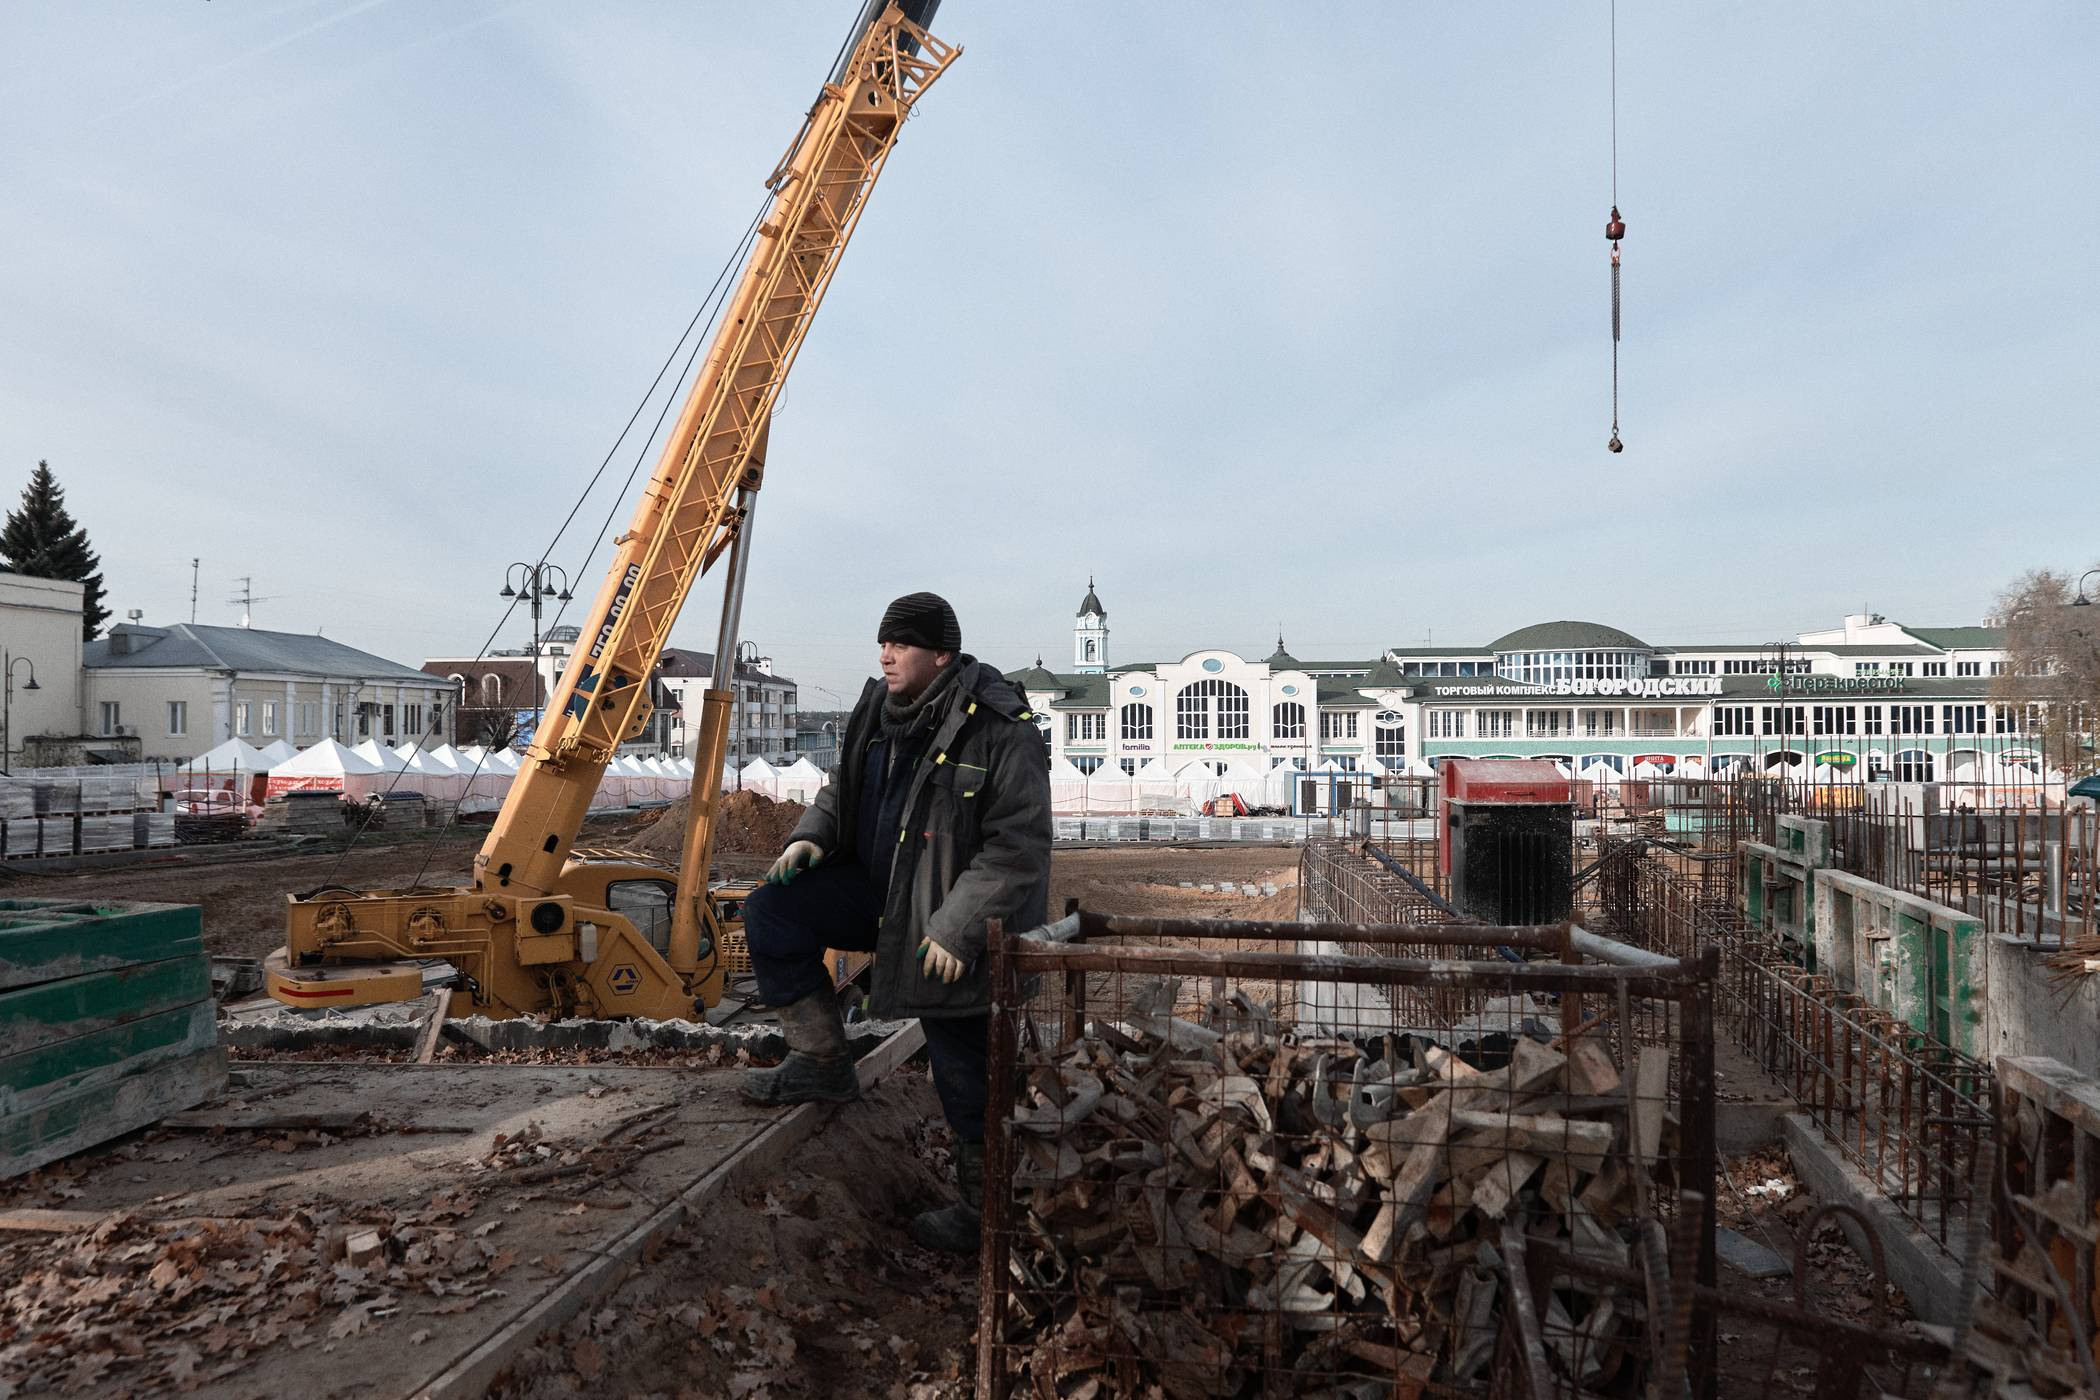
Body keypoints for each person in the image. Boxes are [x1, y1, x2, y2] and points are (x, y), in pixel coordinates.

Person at [738, 591, 1051, 1253]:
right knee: (771, 910)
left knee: (962, 1066)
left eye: (902, 643)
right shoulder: (878, 711)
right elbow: (842, 789)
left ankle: (985, 1213)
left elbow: (1016, 844)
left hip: (949, 916)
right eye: (883, 641)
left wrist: (959, 924)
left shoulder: (999, 727)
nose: (886, 654)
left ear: (942, 653)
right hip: (881, 896)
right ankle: (821, 1058)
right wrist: (813, 835)